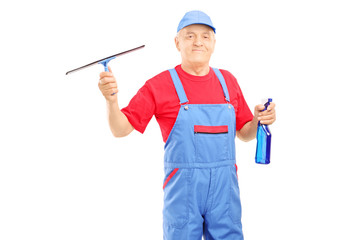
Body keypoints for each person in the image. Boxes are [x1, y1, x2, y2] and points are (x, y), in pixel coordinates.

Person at [98, 10, 276, 240]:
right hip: (184, 191)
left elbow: (244, 133)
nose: (198, 42)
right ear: (177, 42)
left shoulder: (228, 82)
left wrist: (258, 120)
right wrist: (111, 101)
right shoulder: (158, 85)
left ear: (213, 43)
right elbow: (120, 129)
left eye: (205, 36)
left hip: (225, 190)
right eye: (190, 36)